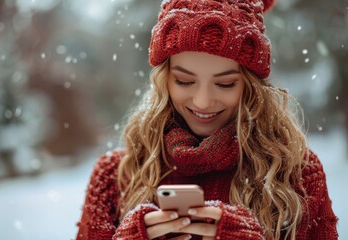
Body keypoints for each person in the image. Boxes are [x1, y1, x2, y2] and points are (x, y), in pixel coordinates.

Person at [76, 0, 338, 239]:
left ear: (251, 86)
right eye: (184, 81)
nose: (202, 102)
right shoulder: (114, 177)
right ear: (163, 80)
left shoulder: (296, 174)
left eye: (225, 84)